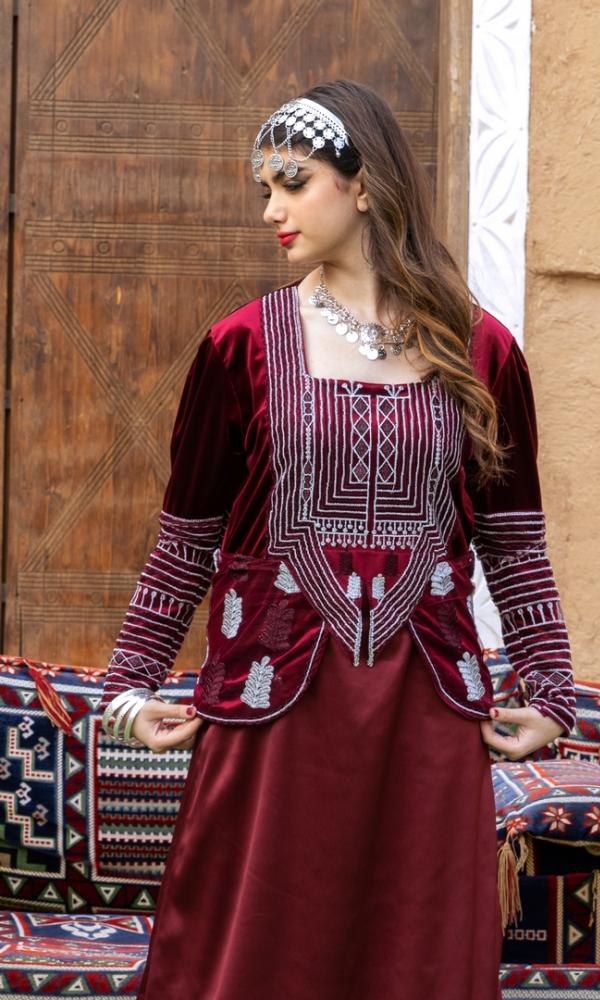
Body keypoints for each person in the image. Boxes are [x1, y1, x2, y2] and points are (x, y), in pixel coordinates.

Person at [98, 79, 576, 1000]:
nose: (271, 210)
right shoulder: (239, 346)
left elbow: (515, 543)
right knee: (253, 956)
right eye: (265, 190)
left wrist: (551, 690)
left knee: (414, 957)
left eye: (293, 182)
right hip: (272, 703)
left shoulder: (480, 352)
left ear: (363, 185)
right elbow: (186, 540)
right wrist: (128, 687)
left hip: (425, 712)